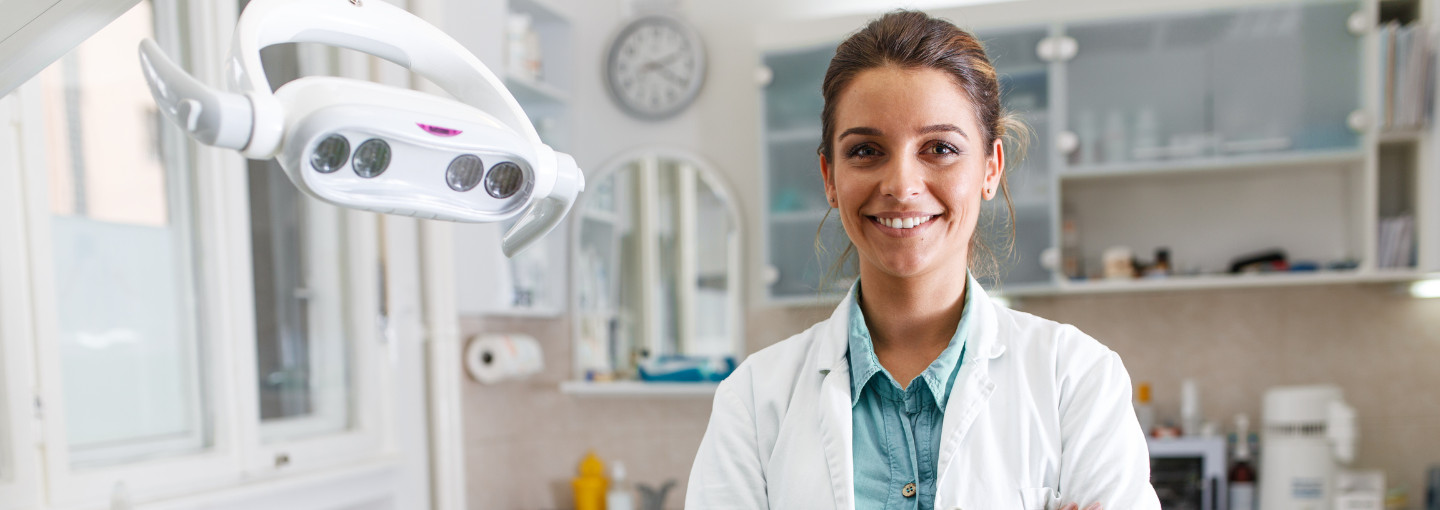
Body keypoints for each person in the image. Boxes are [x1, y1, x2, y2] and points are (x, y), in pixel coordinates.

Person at [686, 10, 1160, 510]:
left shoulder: (1077, 380)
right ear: (829, 176)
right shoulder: (755, 401)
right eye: (866, 150)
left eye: (939, 147)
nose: (902, 186)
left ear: (991, 168)